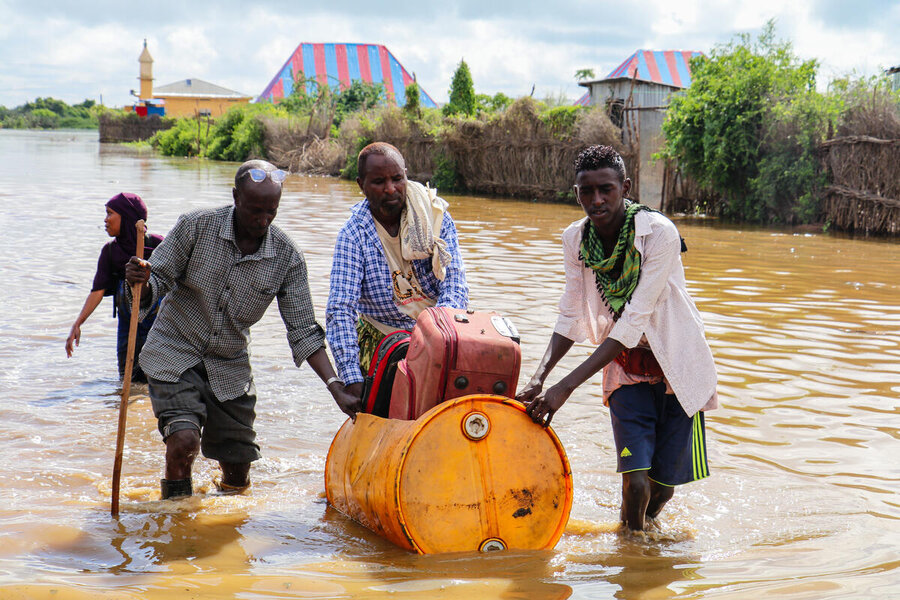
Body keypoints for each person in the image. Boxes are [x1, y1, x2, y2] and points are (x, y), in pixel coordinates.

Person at [125, 159, 362, 500]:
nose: (262, 220)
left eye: (271, 211)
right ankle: (176, 526)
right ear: (235, 197)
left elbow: (303, 330)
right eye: (254, 210)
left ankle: (229, 520)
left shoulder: (287, 256)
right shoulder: (196, 227)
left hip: (229, 366)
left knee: (238, 468)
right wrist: (142, 283)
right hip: (173, 353)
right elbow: (157, 280)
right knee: (183, 442)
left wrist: (334, 385)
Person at [518, 145, 718, 532]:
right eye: (587, 191)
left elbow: (632, 321)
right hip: (626, 370)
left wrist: (565, 387)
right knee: (636, 481)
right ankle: (630, 553)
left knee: (662, 489)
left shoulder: (659, 234)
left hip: (678, 366)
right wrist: (540, 377)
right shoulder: (576, 240)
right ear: (576, 193)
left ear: (624, 187)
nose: (597, 200)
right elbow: (570, 310)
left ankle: (641, 534)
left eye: (606, 189)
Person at [326, 142, 469, 400]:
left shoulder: (434, 216)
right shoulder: (353, 234)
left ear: (406, 175)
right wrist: (351, 377)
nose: (390, 189)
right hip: (384, 338)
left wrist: (435, 334)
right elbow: (341, 309)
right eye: (379, 181)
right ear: (361, 185)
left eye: (397, 179)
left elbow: (455, 285)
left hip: (440, 330)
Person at [66, 192, 164, 382]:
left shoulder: (158, 245)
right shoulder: (110, 252)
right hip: (127, 328)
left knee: (157, 378)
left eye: (110, 213)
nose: (105, 220)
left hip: (158, 326)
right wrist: (78, 323)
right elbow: (97, 292)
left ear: (126, 217)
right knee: (128, 378)